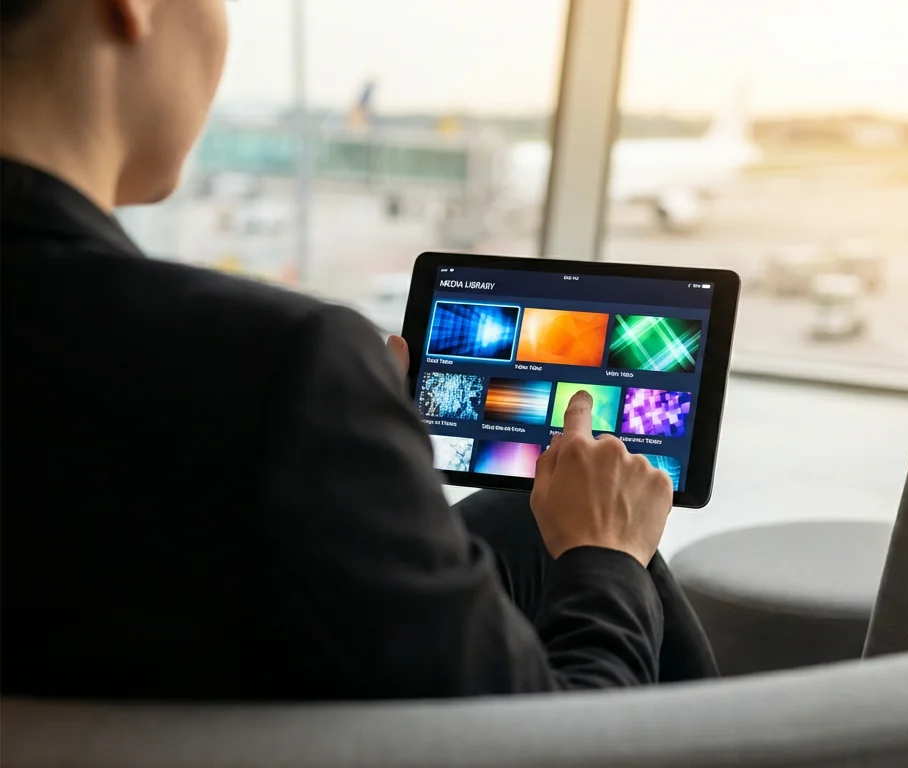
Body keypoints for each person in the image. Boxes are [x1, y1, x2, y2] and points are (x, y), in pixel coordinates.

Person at [0, 0, 717, 698]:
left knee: (521, 518)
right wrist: (608, 561)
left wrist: (373, 479)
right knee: (611, 541)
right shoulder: (278, 364)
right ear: (131, 8)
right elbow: (552, 746)